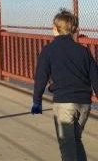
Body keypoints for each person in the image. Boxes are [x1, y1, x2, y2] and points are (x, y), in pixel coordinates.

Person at [31, 9, 98, 161]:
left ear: (55, 29)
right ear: (72, 30)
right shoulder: (83, 51)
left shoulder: (48, 50)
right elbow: (95, 78)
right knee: (75, 140)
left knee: (67, 146)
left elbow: (41, 78)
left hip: (64, 103)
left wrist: (37, 101)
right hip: (84, 104)